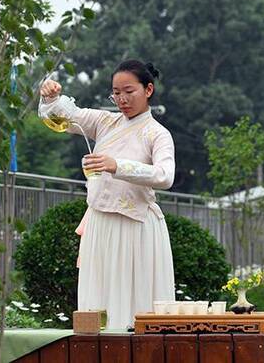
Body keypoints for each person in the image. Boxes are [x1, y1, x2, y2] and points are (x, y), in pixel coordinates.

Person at [38, 60, 176, 330]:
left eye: (129, 91)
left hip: (135, 226)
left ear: (148, 90)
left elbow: (165, 175)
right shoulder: (105, 121)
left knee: (135, 300)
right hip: (99, 225)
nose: (121, 99)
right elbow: (63, 116)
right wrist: (51, 96)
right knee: (96, 301)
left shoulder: (158, 134)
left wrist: (117, 166)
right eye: (116, 93)